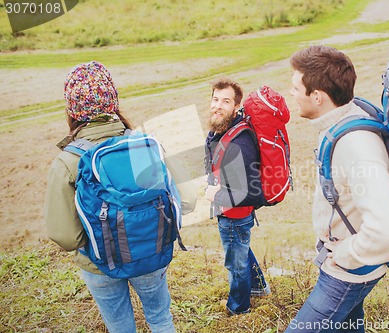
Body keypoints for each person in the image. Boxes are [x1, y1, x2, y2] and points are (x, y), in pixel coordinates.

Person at [45, 61, 196, 333]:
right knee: (161, 320)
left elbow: (64, 235)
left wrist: (99, 242)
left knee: (120, 328)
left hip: (98, 265)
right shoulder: (145, 143)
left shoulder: (68, 161)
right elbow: (187, 200)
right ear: (113, 99)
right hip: (151, 254)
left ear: (72, 108)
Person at [285, 45, 389, 332]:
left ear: (317, 96)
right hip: (350, 264)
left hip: (347, 272)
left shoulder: (356, 146)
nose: (290, 93)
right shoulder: (343, 120)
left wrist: (344, 256)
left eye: (295, 87)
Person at [204, 77, 270, 316]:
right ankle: (259, 287)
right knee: (241, 249)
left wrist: (216, 194)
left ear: (236, 107)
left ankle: (238, 307)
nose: (218, 106)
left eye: (225, 101)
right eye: (215, 99)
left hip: (234, 216)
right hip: (233, 215)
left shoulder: (239, 143)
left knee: (236, 263)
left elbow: (251, 193)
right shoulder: (224, 130)